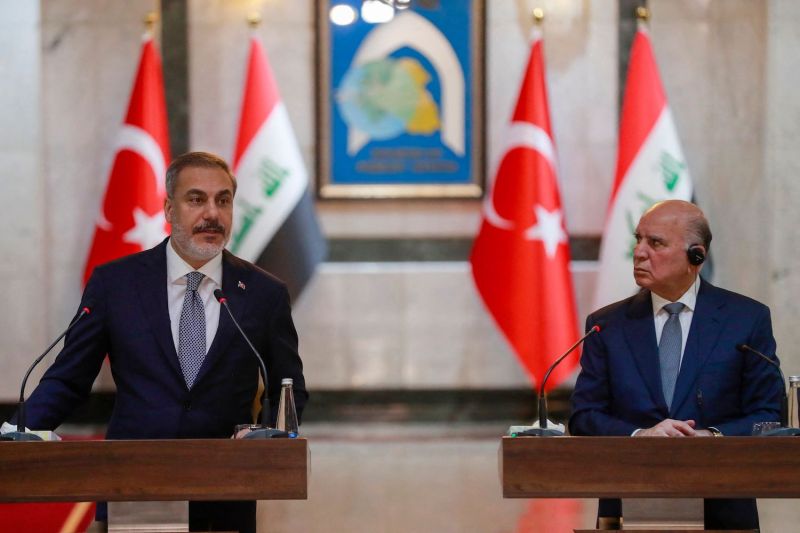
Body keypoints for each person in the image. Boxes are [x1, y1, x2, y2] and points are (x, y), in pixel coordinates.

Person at [6, 151, 307, 533]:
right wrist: (13, 436)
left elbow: (289, 387)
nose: (212, 213)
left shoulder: (263, 293)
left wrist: (265, 434)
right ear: (168, 209)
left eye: (223, 200)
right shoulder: (116, 284)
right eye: (196, 199)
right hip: (133, 485)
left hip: (226, 494)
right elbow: (68, 379)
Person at [570, 200, 781, 530]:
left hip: (723, 508)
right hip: (628, 504)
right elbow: (583, 416)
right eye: (638, 239)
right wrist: (640, 434)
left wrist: (711, 436)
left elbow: (769, 415)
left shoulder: (746, 320)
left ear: (696, 256)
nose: (639, 252)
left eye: (655, 243)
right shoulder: (607, 325)